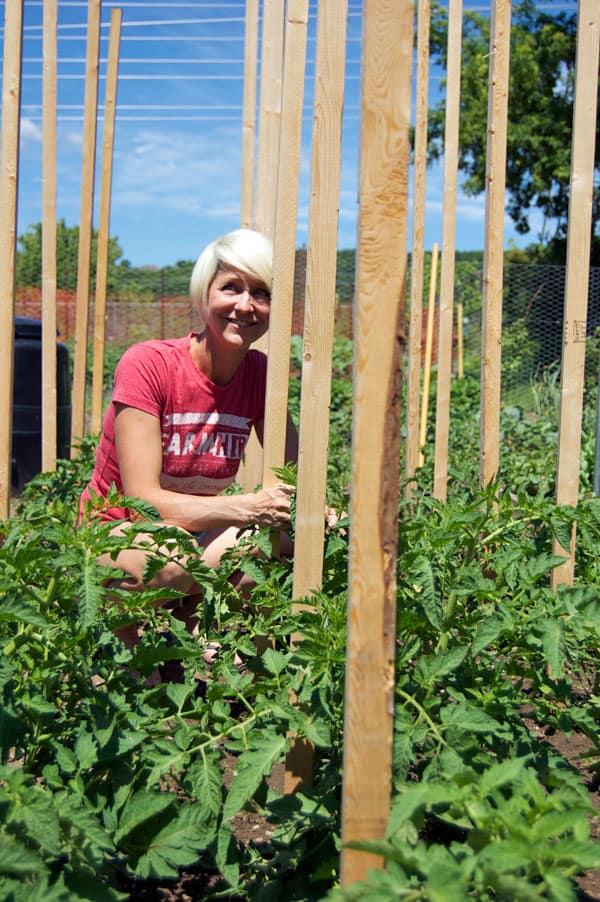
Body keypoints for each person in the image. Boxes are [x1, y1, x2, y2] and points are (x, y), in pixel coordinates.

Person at [79, 228, 299, 652]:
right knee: (187, 552)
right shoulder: (149, 365)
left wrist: (308, 509)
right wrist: (245, 509)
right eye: (231, 288)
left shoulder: (261, 375)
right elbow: (146, 499)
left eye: (261, 292)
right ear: (204, 294)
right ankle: (137, 629)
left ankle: (215, 654)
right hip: (119, 534)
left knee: (282, 542)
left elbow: (286, 479)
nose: (245, 305)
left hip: (198, 537)